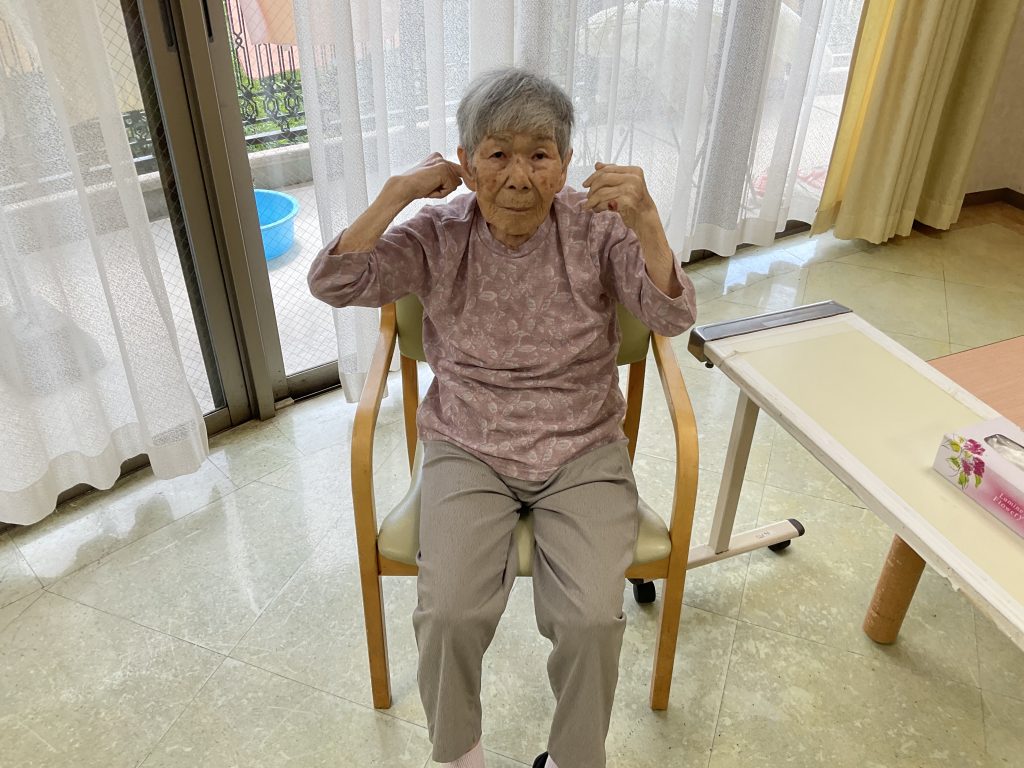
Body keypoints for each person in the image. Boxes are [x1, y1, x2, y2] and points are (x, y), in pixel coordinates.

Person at [308, 67, 697, 768]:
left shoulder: (597, 229)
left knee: (590, 621)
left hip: (583, 445)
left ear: (565, 164)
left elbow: (670, 317)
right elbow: (333, 281)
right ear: (466, 163)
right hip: (468, 444)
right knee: (449, 613)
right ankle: (461, 756)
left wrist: (647, 224)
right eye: (497, 154)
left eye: (539, 154)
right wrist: (397, 193)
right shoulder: (437, 232)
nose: (519, 176)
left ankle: (573, 760)